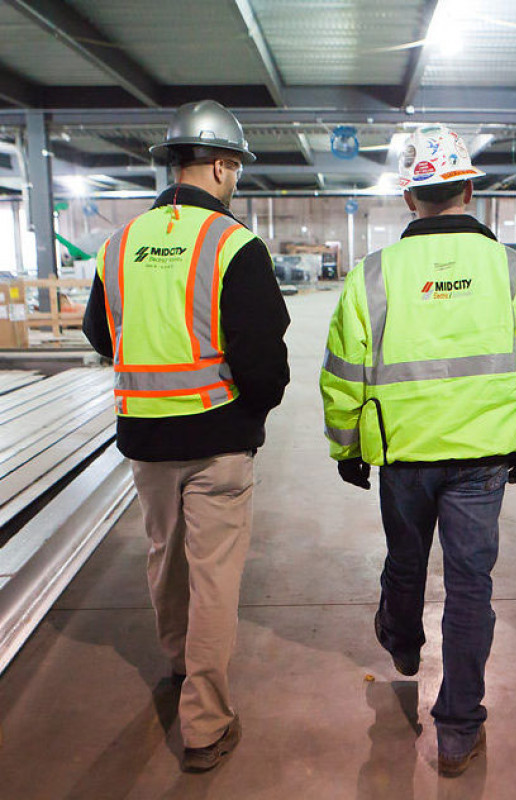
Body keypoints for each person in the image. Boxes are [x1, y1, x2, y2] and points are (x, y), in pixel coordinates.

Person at [320, 124, 516, 777]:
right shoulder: (513, 269)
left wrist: (347, 444)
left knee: (406, 562)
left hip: (403, 457)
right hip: (484, 460)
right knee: (468, 587)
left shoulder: (373, 274)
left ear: (411, 199)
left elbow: (345, 370)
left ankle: (403, 644)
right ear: (467, 189)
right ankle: (458, 731)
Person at [82, 99, 290, 771]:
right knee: (214, 577)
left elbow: (98, 333)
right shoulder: (233, 244)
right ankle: (203, 722)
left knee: (163, 555)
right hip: (218, 439)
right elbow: (263, 356)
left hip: (144, 435)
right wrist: (254, 409)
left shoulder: (119, 246)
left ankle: (177, 666)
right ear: (225, 167)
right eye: (236, 169)